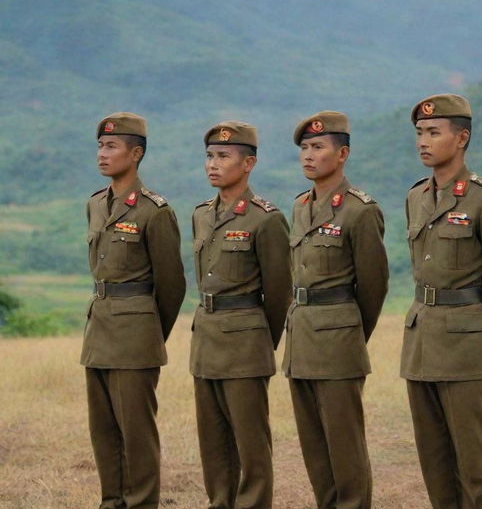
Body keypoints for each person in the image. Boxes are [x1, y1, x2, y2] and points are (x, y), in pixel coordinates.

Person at [400, 94, 482, 509]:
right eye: (419, 133)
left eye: (434, 132)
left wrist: (477, 327)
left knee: (475, 466)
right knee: (434, 462)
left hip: (466, 346)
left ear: (462, 138)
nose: (424, 141)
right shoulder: (416, 197)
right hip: (420, 344)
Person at [282, 110, 389, 509]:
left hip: (339, 339)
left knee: (344, 445)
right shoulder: (300, 207)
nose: (308, 155)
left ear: (341, 154)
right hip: (302, 339)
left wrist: (349, 333)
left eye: (318, 147)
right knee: (314, 445)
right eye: (305, 148)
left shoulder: (360, 210)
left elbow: (374, 286)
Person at [81, 111, 186, 509]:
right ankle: (112, 501)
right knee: (103, 430)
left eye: (111, 147)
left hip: (135, 333)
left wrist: (148, 333)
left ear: (136, 153)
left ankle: (142, 502)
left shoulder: (153, 211)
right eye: (100, 146)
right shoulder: (95, 204)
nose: (102, 155)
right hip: (99, 330)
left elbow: (172, 285)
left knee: (136, 432)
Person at [190, 121, 292, 509]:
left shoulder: (265, 219)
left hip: (245, 342)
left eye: (224, 157)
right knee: (213, 440)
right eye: (210, 156)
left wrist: (259, 341)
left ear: (248, 163)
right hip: (206, 341)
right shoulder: (201, 214)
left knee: (250, 443)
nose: (213, 165)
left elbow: (279, 292)